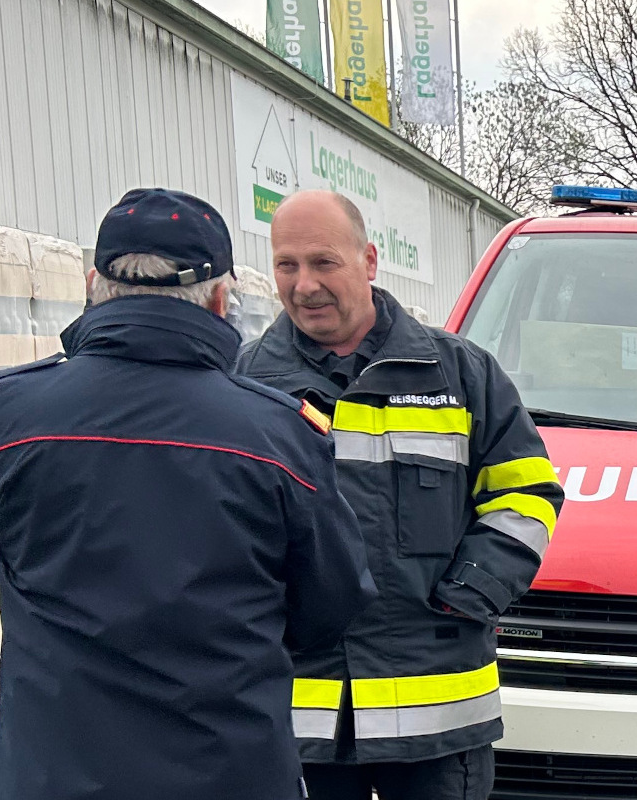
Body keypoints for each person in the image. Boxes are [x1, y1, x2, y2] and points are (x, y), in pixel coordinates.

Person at [0, 188, 372, 799]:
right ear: (220, 299)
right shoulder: (280, 436)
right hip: (232, 775)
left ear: (92, 286)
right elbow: (330, 606)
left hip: (53, 778)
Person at [238, 190, 565, 800]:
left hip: (437, 714)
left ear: (368, 260)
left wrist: (470, 593)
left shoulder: (462, 375)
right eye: (287, 265)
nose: (304, 285)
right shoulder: (244, 385)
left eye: (323, 262)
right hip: (296, 722)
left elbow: (526, 493)